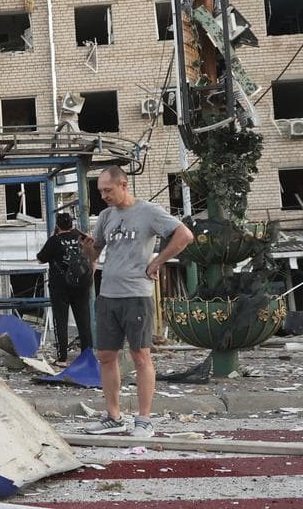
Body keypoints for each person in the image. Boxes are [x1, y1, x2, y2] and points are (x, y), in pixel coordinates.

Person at [82, 166, 193, 438]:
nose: (104, 196)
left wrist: (157, 261)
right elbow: (95, 253)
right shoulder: (106, 216)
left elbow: (185, 235)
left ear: (124, 184)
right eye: (100, 191)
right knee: (106, 356)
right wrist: (88, 249)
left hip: (137, 295)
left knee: (140, 356)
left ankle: (144, 419)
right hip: (108, 293)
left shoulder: (149, 211)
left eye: (108, 190)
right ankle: (113, 416)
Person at [36, 212, 92, 364]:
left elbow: (40, 259)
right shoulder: (81, 238)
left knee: (61, 320)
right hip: (82, 284)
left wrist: (53, 237)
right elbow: (92, 248)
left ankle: (62, 358)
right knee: (84, 320)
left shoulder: (54, 240)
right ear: (72, 224)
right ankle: (88, 355)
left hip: (60, 286)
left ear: (57, 225)